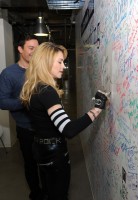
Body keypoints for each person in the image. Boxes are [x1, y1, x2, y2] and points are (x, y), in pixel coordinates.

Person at [20, 42, 108, 200]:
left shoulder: (34, 87)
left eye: (63, 62)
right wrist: (97, 109)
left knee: (49, 191)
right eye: (59, 62)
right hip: (54, 154)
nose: (63, 66)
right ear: (46, 62)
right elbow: (68, 129)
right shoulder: (47, 92)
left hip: (40, 148)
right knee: (59, 195)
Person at [0, 34, 42, 200]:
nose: (35, 52)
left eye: (37, 48)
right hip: (26, 129)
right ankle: (36, 194)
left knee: (48, 163)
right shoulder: (9, 74)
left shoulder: (41, 68)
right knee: (31, 164)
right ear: (20, 49)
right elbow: (2, 102)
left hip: (46, 126)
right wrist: (25, 101)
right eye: (31, 48)